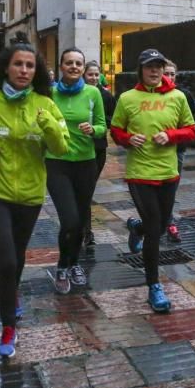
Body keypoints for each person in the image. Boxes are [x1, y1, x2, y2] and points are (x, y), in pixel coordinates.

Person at [0, 43, 69, 357]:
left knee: (18, 256)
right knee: (6, 259)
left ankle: (12, 292)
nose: (23, 71)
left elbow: (61, 149)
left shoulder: (45, 104)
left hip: (31, 195)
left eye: (30, 66)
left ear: (36, 72)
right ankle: (8, 328)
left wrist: (48, 125)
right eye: (18, 64)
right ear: (6, 67)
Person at [111, 49, 195, 312]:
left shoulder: (178, 97)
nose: (155, 71)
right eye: (150, 66)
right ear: (141, 70)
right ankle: (154, 286)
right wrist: (127, 139)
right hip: (140, 173)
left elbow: (192, 130)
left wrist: (171, 135)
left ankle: (137, 228)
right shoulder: (127, 98)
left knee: (158, 228)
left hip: (168, 172)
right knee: (155, 229)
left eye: (159, 66)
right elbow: (116, 129)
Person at [46, 48, 106, 294]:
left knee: (80, 220)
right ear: (61, 66)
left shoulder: (93, 92)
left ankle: (73, 264)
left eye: (78, 63)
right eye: (69, 62)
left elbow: (104, 125)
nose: (73, 66)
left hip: (85, 163)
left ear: (83, 68)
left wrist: (93, 130)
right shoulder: (49, 93)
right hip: (56, 162)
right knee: (68, 219)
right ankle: (62, 266)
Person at [161, 61, 195, 243]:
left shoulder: (183, 95)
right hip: (155, 151)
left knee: (171, 187)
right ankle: (156, 222)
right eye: (166, 74)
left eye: (172, 74)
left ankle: (167, 222)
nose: (169, 78)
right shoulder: (151, 96)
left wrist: (178, 135)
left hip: (176, 149)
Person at [81, 60, 116, 250]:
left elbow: (114, 119)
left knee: (87, 190)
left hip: (97, 148)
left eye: (96, 75)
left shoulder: (106, 96)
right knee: (83, 191)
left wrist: (99, 122)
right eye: (90, 74)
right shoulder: (78, 94)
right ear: (84, 75)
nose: (93, 78)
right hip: (77, 148)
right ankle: (85, 230)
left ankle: (86, 230)